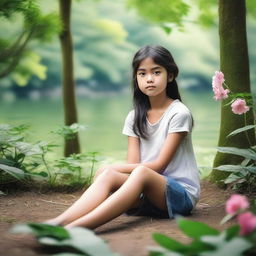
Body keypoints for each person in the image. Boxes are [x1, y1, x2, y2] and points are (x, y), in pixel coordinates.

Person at [45, 45, 200, 229]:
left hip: (180, 197)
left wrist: (114, 166)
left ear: (171, 75)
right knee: (110, 174)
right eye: (142, 74)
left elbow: (159, 166)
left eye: (156, 72)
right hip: (146, 195)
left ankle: (76, 229)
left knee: (137, 172)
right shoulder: (134, 117)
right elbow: (132, 163)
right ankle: (58, 222)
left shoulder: (179, 113)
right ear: (136, 77)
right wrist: (109, 171)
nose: (149, 79)